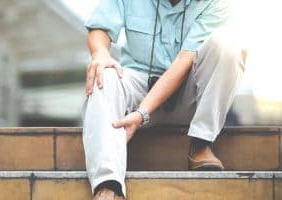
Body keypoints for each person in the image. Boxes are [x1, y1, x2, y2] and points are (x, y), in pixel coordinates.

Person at [82, 0, 246, 199]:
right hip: (137, 86)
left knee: (228, 47)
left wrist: (142, 112)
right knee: (104, 73)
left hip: (189, 95)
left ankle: (201, 143)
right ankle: (108, 186)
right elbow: (100, 25)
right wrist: (100, 53)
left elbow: (183, 62)